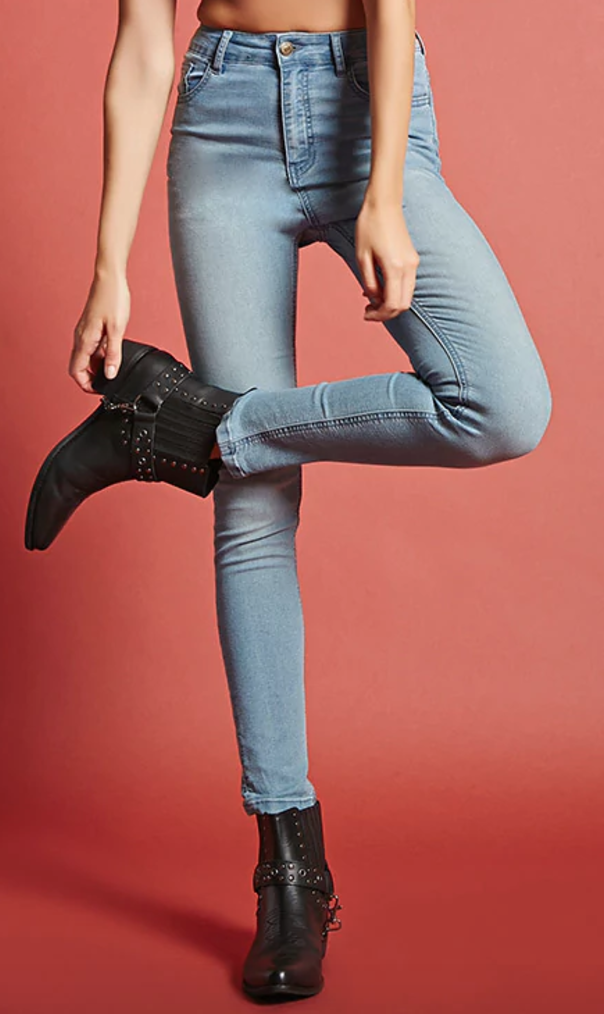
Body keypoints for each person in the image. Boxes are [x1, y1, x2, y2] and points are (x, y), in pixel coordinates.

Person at [24, 0, 553, 1000]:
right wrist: (107, 265)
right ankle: (290, 880)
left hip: (362, 105)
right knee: (255, 507)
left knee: (501, 404)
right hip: (221, 114)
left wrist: (384, 190)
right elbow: (142, 42)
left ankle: (178, 424)